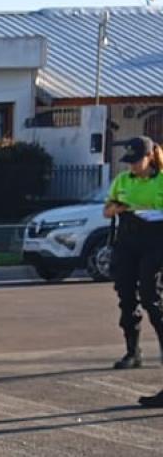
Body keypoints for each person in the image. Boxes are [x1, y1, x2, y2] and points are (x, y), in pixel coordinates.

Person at [104, 136, 163, 370]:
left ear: (150, 157)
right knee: (126, 295)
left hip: (155, 241)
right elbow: (107, 211)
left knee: (151, 296)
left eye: (137, 161)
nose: (133, 166)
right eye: (130, 161)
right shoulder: (122, 180)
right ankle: (132, 352)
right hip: (128, 240)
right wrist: (117, 208)